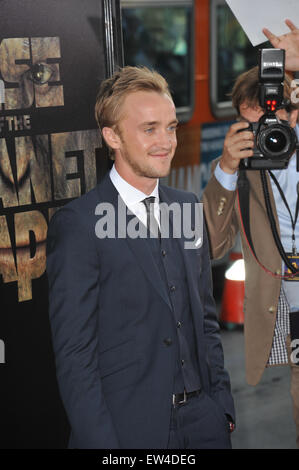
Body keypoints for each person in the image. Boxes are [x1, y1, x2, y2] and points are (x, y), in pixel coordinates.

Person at [46, 65, 235, 449]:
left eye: (170, 127)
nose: (165, 141)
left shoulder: (186, 208)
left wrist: (223, 408)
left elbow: (206, 321)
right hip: (129, 430)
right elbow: (75, 358)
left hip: (205, 424)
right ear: (112, 136)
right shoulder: (79, 224)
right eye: (149, 129)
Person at [202, 50, 299, 446]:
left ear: (293, 115)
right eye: (249, 124)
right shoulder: (240, 169)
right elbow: (212, 245)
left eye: (271, 122)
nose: (264, 135)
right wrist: (226, 169)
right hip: (289, 303)